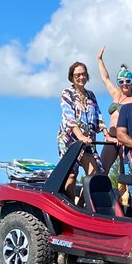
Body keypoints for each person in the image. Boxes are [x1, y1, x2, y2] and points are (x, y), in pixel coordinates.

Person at [58, 60, 102, 197]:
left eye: (83, 74)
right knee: (71, 175)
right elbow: (69, 118)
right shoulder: (67, 93)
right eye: (77, 75)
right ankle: (70, 206)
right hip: (70, 141)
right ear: (72, 77)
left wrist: (107, 133)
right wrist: (80, 136)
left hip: (87, 142)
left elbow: (98, 116)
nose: (81, 77)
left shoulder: (91, 95)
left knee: (94, 173)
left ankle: (82, 205)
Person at [96, 45, 132, 170]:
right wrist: (99, 60)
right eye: (121, 81)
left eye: (127, 81)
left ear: (131, 82)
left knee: (125, 171)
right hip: (111, 137)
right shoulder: (116, 93)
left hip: (125, 138)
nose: (124, 84)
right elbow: (105, 79)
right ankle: (100, 188)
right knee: (102, 169)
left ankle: (125, 190)